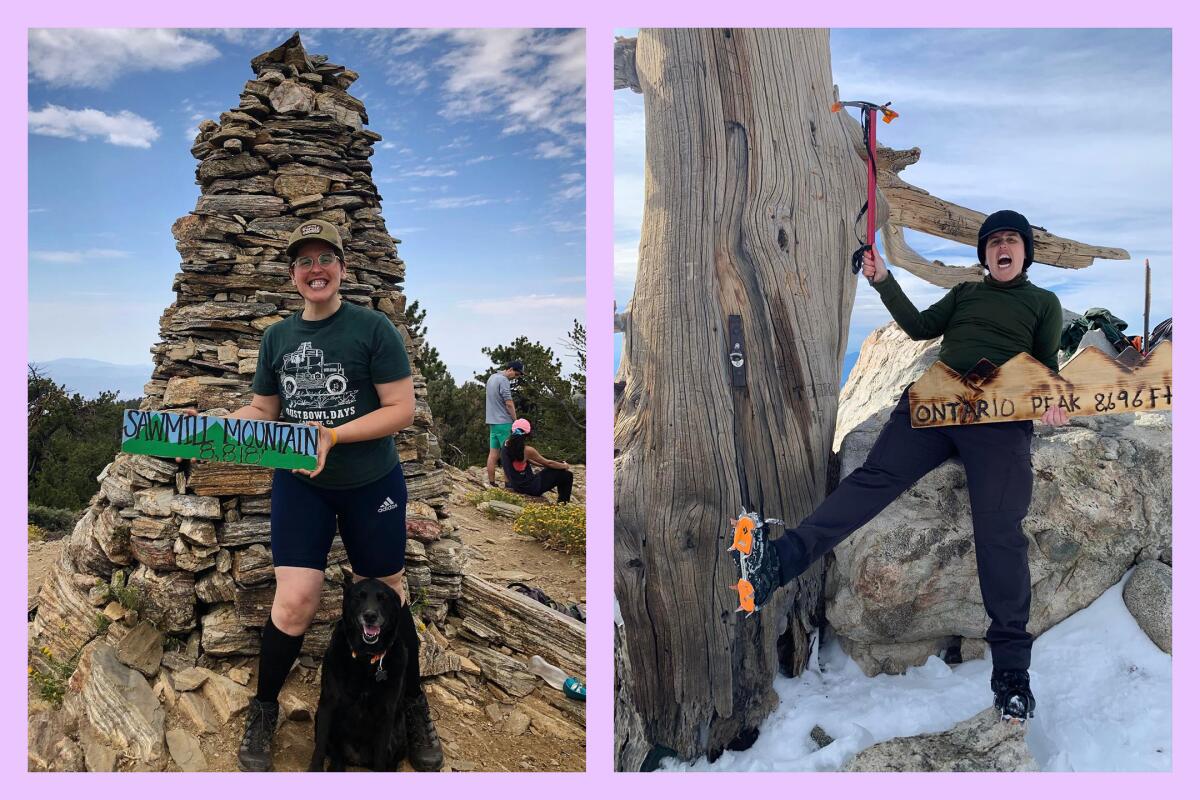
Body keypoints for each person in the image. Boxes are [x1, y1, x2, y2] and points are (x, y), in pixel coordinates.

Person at [741, 210, 1068, 722]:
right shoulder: (965, 295)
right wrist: (882, 279)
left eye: (1012, 241)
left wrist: (1051, 398)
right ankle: (775, 564)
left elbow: (1046, 366)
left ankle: (1011, 676)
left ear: (1026, 252)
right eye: (994, 241)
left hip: (1000, 421)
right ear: (984, 255)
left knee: (999, 532)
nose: (1003, 247)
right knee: (873, 481)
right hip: (936, 404)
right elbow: (918, 327)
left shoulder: (1043, 303)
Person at [225, 219, 442, 771]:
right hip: (302, 488)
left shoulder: (371, 328)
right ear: (293, 275)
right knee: (295, 601)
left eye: (326, 258)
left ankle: (412, 703)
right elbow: (266, 410)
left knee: (392, 591)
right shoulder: (277, 337)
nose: (315, 269)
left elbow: (401, 409)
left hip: (372, 484)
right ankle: (265, 707)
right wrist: (233, 422)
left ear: (342, 269)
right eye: (304, 261)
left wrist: (335, 434)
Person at [500, 418, 574, 503]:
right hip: (532, 488)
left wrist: (508, 486)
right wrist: (565, 466)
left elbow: (511, 464)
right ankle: (563, 504)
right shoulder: (527, 450)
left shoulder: (505, 446)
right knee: (567, 475)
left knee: (556, 468)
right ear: (527, 434)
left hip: (515, 485)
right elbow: (548, 463)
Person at [485, 360, 523, 486]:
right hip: (504, 422)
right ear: (511, 369)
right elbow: (509, 403)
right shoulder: (504, 381)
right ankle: (508, 483)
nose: (516, 377)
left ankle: (491, 482)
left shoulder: (491, 378)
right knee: (508, 454)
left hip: (492, 421)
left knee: (493, 454)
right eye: (517, 374)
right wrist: (515, 420)